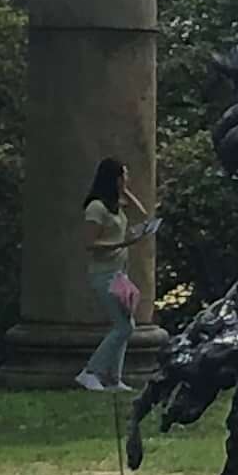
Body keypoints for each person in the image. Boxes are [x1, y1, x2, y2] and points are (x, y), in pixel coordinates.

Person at [79, 157, 157, 394]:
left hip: (118, 272)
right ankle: (90, 372)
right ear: (112, 178)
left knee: (126, 324)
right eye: (123, 176)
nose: (127, 179)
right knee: (123, 326)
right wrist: (122, 243)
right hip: (103, 272)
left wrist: (126, 191)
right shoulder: (96, 207)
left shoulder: (115, 204)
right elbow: (90, 244)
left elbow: (144, 215)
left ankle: (113, 377)